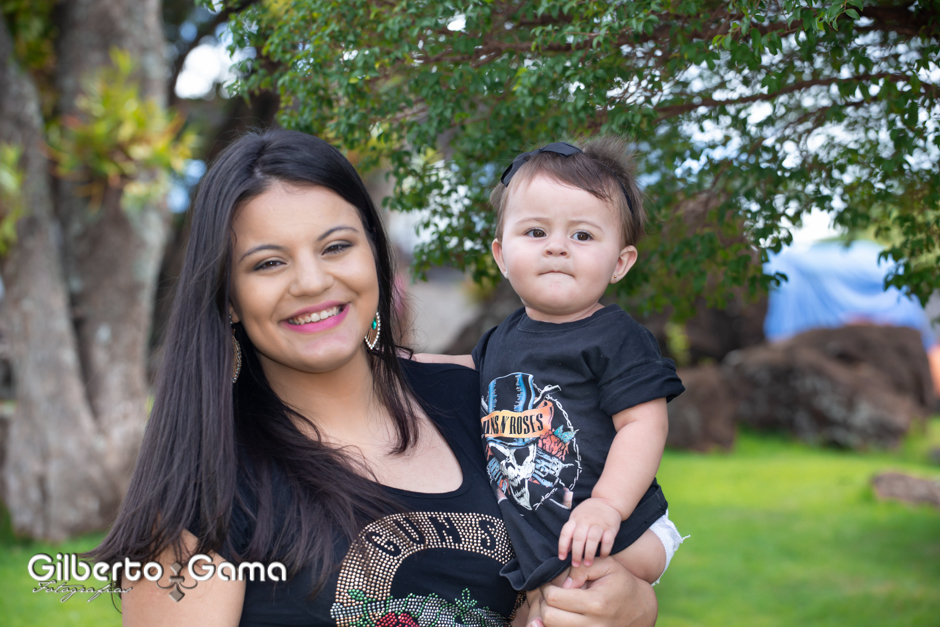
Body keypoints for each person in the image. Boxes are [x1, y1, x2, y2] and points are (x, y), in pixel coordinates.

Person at [91, 130, 661, 627]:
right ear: (229, 297)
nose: (312, 282)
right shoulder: (205, 483)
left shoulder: (483, 398)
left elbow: (592, 552)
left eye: (336, 246)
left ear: (375, 254)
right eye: (268, 263)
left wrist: (634, 605)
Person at [417, 138, 686, 626]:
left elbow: (644, 424)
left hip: (624, 530)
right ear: (502, 255)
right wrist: (403, 360)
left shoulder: (615, 337)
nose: (557, 247)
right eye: (536, 231)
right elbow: (467, 371)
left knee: (579, 603)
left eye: (582, 235)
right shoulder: (503, 337)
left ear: (620, 262)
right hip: (548, 539)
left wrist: (606, 506)